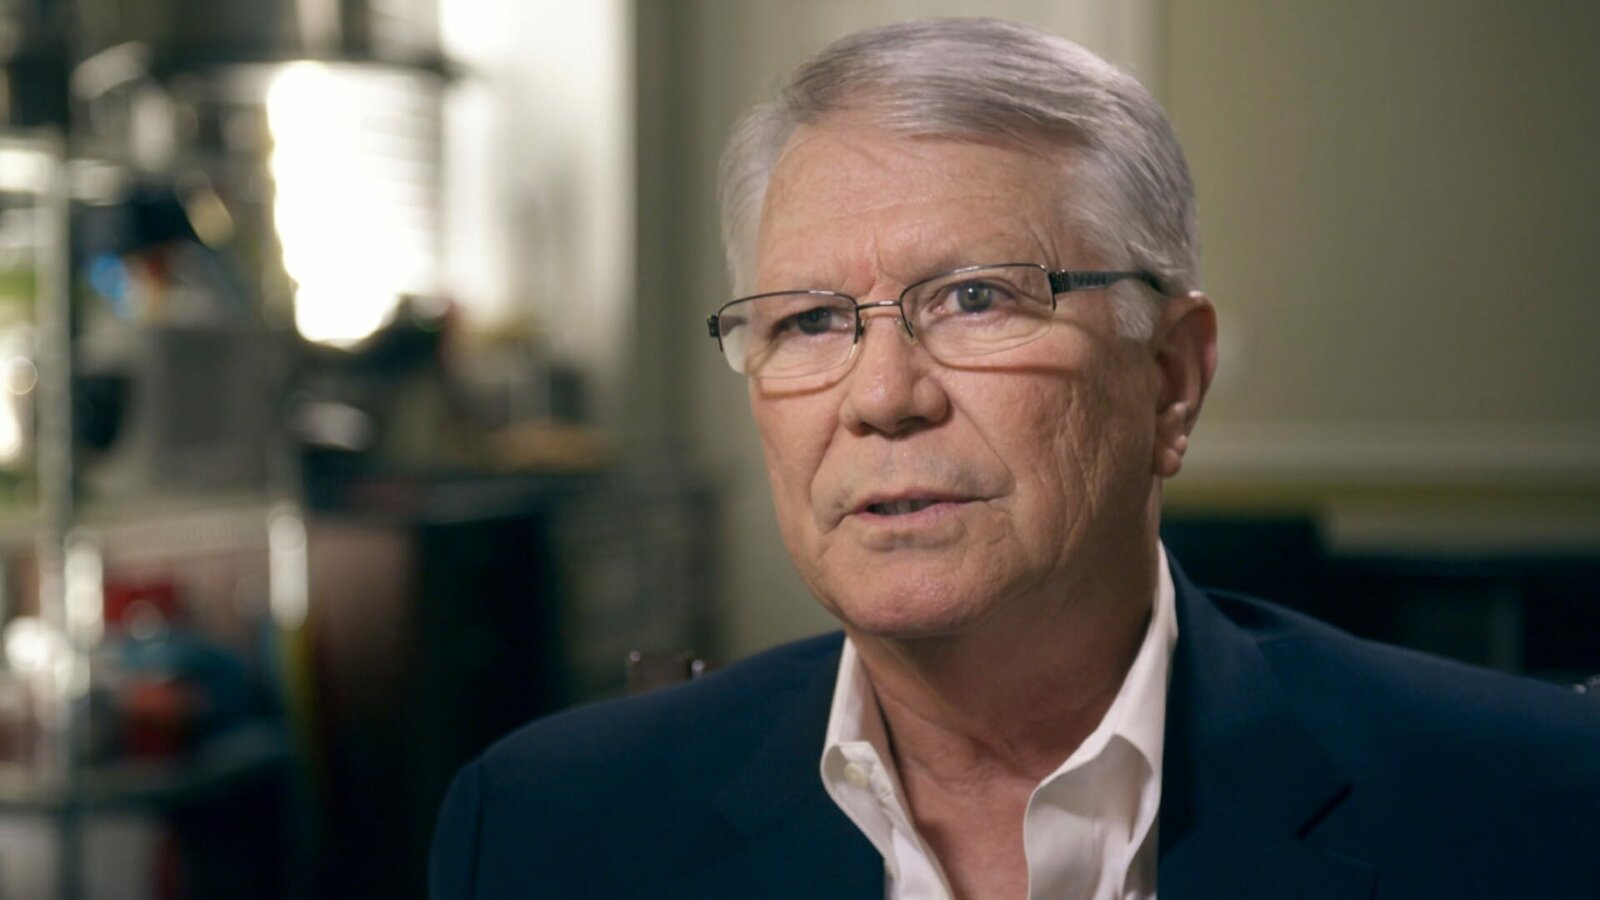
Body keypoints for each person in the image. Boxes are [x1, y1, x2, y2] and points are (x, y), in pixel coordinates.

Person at [430, 17, 1600, 899]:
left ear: (1170, 379)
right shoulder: (542, 827)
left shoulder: (1535, 803)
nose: (881, 398)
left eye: (978, 298)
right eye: (810, 321)